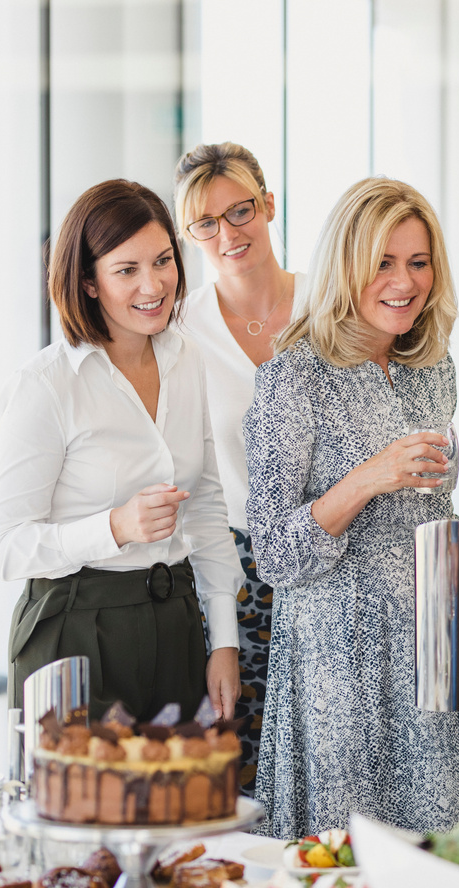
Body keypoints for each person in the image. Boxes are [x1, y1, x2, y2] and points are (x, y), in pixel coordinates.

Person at [245, 177, 459, 838]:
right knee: (343, 859)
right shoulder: (292, 377)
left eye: (418, 262)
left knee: (440, 855)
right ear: (346, 267)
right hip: (337, 662)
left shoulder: (432, 369)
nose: (404, 281)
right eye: (382, 263)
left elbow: (424, 520)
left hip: (431, 654)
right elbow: (272, 552)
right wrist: (365, 479)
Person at [0, 179, 243, 725]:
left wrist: (223, 641)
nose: (153, 284)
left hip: (175, 622)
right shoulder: (46, 384)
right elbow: (4, 548)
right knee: (83, 808)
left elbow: (205, 506)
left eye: (163, 261)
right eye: (126, 270)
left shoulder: (187, 358)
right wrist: (116, 527)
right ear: (88, 281)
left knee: (179, 804)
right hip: (72, 631)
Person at [172, 142, 299, 794]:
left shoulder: (328, 309)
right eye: (206, 223)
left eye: (241, 210)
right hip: (236, 573)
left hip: (331, 560)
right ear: (189, 234)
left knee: (327, 765)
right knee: (240, 774)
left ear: (268, 205)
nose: (228, 233)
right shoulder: (179, 333)